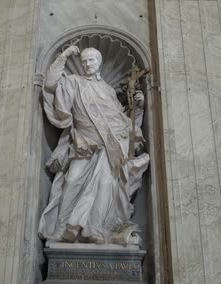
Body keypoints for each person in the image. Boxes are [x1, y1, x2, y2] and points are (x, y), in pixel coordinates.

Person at [38, 46, 150, 246]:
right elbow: (50, 83)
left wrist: (139, 109)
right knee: (71, 181)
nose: (87, 64)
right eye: (84, 61)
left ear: (99, 62)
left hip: (110, 148)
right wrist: (63, 56)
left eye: (91, 60)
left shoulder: (108, 90)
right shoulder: (74, 82)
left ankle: (94, 230)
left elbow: (122, 122)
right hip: (84, 145)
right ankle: (63, 229)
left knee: (106, 186)